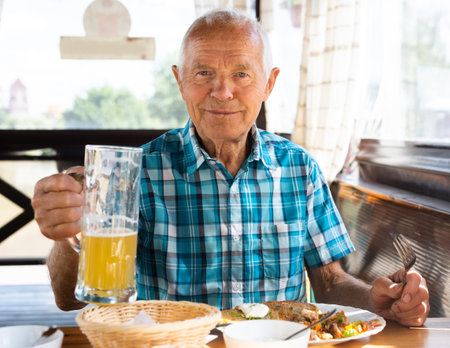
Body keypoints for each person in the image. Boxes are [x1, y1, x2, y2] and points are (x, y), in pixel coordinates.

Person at [31, 8, 429, 326]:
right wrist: (67, 236)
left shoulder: (299, 168)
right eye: (204, 73)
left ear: (269, 84)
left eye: (241, 73)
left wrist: (379, 303)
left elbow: (329, 283)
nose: (222, 92)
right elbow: (69, 300)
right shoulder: (141, 171)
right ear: (180, 80)